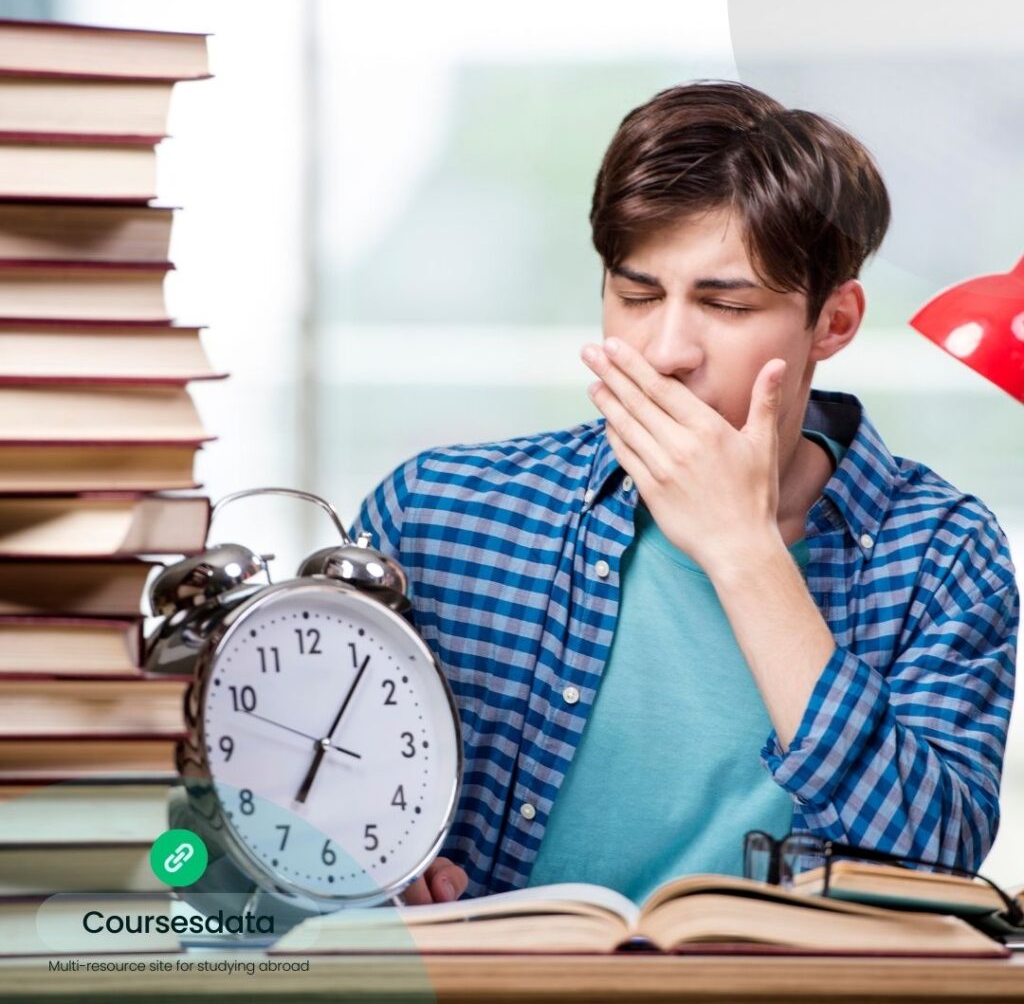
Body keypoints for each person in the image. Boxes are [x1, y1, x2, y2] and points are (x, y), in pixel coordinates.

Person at [349, 80, 1019, 906]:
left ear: (834, 324)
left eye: (725, 305)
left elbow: (936, 871)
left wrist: (746, 556)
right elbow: (255, 822)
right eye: (635, 297)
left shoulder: (942, 552)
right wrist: (350, 856)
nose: (666, 350)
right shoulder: (435, 514)